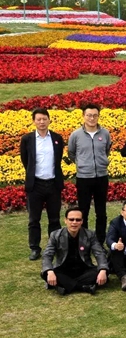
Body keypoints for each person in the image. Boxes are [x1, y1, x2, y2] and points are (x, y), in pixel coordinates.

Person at [20, 108, 64, 261]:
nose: (42, 122)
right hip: (35, 185)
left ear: (49, 120)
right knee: (34, 219)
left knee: (54, 219)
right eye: (38, 119)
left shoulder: (57, 138)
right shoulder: (27, 139)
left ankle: (55, 246)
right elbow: (26, 161)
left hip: (53, 184)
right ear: (34, 121)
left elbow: (58, 159)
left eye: (44, 119)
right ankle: (34, 248)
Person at [68, 103, 111, 243]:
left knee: (101, 212)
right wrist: (82, 164)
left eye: (95, 115)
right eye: (89, 115)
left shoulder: (105, 133)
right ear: (83, 116)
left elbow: (106, 150)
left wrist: (101, 162)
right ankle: (84, 241)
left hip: (101, 177)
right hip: (83, 178)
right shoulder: (76, 135)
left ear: (98, 116)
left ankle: (100, 241)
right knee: (83, 211)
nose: (92, 118)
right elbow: (71, 153)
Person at [41, 206, 108, 295]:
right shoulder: (55, 235)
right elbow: (47, 255)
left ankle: (64, 286)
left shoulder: (90, 234)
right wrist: (50, 271)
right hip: (63, 270)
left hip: (84, 270)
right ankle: (83, 287)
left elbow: (99, 253)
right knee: (45, 273)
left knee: (103, 272)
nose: (74, 222)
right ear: (65, 220)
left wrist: (103, 270)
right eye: (71, 219)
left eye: (78, 220)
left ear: (82, 221)